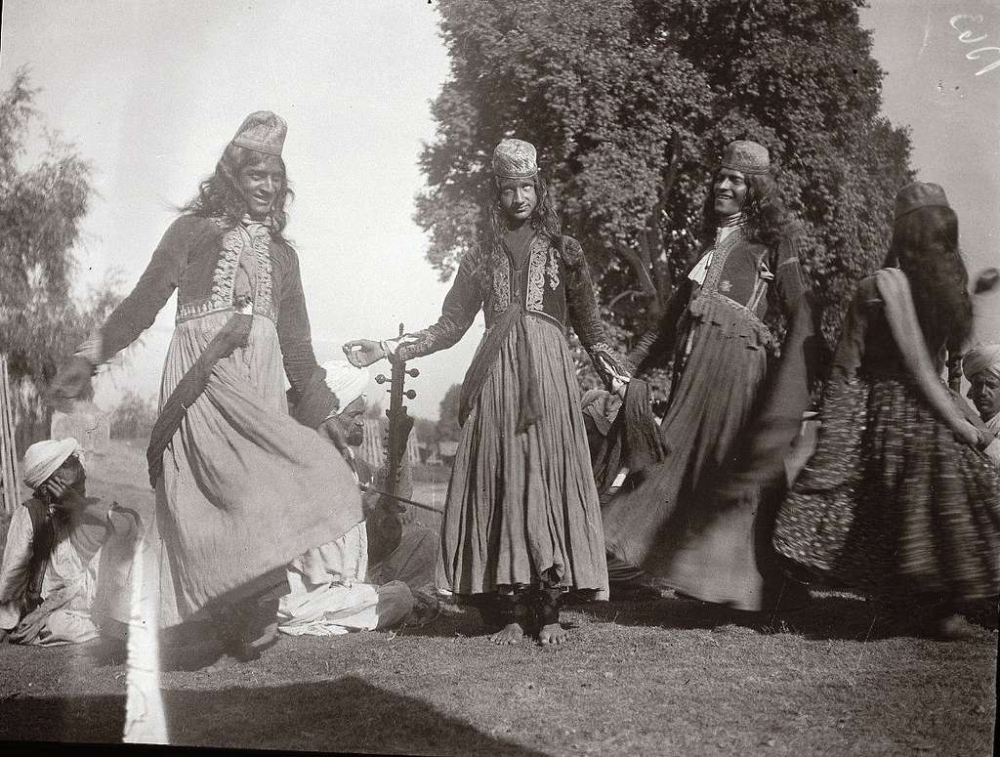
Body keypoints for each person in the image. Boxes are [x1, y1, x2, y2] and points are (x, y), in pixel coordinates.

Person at [48, 112, 363, 667]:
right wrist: (90, 355)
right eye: (256, 176)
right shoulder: (191, 233)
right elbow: (143, 302)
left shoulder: (285, 257)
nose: (268, 188)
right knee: (199, 498)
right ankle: (207, 617)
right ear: (232, 178)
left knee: (260, 492)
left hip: (258, 388)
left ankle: (246, 612)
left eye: (276, 179)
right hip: (201, 379)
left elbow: (298, 348)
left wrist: (322, 413)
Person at [344, 138, 627, 645]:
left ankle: (550, 613)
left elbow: (591, 328)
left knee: (548, 484)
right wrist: (387, 348)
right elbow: (449, 326)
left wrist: (616, 376)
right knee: (501, 486)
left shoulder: (566, 253)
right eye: (508, 188)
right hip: (496, 382)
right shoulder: (479, 257)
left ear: (539, 189)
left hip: (550, 384)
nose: (519, 198)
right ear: (496, 193)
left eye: (527, 187)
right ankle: (510, 614)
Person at [773, 182, 1000, 639]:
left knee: (917, 505)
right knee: (928, 506)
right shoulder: (912, 291)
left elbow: (857, 363)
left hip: (896, 412)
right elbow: (904, 366)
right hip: (909, 414)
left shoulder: (895, 289)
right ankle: (931, 612)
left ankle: (934, 607)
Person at [601, 139, 816, 612]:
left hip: (738, 372)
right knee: (675, 463)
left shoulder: (770, 244)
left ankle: (745, 585)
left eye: (735, 180)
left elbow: (800, 309)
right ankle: (687, 573)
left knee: (729, 470)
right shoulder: (707, 249)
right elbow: (665, 326)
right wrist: (624, 365)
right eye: (720, 177)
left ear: (755, 189)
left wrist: (798, 382)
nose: (722, 185)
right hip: (693, 375)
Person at [278, 361, 438, 635]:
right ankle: (385, 601)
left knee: (425, 541)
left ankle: (374, 598)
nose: (361, 421)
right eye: (355, 414)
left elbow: (395, 501)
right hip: (305, 590)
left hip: (350, 578)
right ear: (329, 417)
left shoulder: (352, 464)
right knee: (398, 599)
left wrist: (398, 450)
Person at [0, 439, 138, 646]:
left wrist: (80, 505)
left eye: (81, 482)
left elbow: (127, 528)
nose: (80, 487)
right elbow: (13, 573)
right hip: (56, 607)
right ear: (50, 484)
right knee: (57, 625)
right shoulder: (30, 514)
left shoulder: (89, 508)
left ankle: (115, 626)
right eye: (72, 485)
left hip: (95, 603)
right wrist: (5, 623)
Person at [963, 343, 1000, 467]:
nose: (982, 392)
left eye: (991, 385)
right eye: (978, 384)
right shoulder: (965, 424)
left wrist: (967, 412)